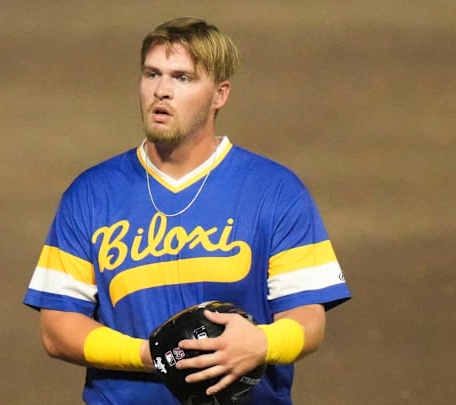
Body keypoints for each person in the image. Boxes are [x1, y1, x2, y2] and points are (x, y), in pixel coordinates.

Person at [23, 17, 351, 404]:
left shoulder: (275, 191)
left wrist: (260, 343)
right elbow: (57, 328)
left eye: (182, 78)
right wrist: (152, 356)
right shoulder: (91, 194)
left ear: (219, 94)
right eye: (151, 74)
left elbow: (309, 321)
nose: (161, 91)